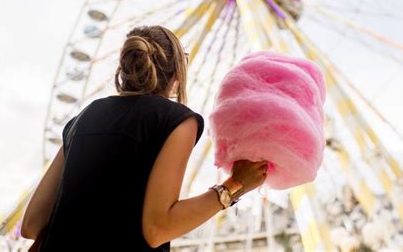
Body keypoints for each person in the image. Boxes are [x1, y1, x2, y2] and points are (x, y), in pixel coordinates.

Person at [21, 25, 268, 251]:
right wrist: (235, 186)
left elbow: (31, 225)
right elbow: (157, 229)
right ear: (177, 72)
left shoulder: (81, 119)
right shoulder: (176, 120)